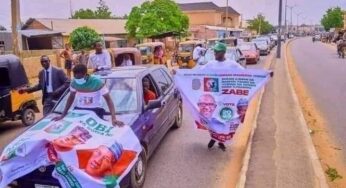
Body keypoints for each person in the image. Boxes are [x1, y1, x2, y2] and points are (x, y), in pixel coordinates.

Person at [53, 64, 124, 127]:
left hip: (95, 110)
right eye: (75, 77)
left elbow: (108, 100)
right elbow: (71, 97)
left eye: (79, 78)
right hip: (79, 110)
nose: (77, 79)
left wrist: (113, 118)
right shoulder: (74, 82)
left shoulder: (97, 82)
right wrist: (63, 115)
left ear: (85, 74)